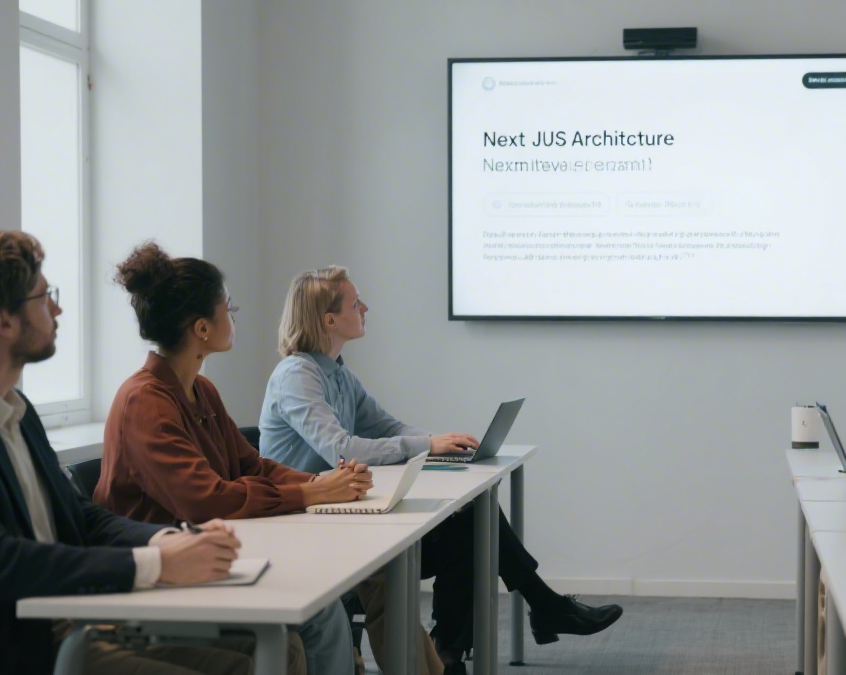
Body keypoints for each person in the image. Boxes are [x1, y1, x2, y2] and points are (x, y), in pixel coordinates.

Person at [259, 266, 623, 672]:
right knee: (472, 529)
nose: (366, 308)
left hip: (352, 515)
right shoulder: (297, 375)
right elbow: (340, 449)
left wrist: (438, 443)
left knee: (472, 522)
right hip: (314, 529)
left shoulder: (338, 373)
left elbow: (388, 427)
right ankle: (536, 610)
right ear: (329, 320)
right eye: (355, 302)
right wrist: (427, 446)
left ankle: (454, 650)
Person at [0, 229, 258, 675]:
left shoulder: (18, 412)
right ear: (3, 322)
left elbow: (82, 517)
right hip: (22, 652)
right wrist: (155, 563)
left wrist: (167, 540)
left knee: (273, 650)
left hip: (79, 626)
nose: (58, 309)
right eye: (44, 298)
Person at [95, 242, 376, 675]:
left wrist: (321, 484)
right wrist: (310, 493)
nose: (235, 316)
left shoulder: (200, 390)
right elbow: (206, 500)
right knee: (320, 615)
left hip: (205, 556)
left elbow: (251, 466)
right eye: (229, 308)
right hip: (159, 578)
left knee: (323, 609)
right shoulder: (144, 401)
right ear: (202, 328)